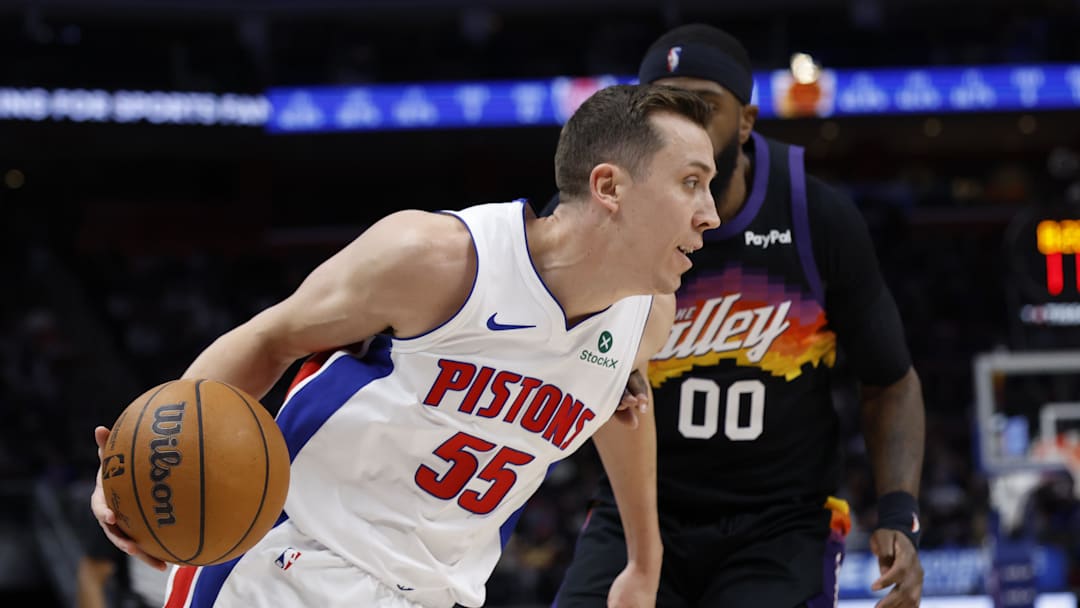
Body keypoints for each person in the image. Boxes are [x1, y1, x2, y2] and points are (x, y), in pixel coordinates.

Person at [90, 83, 722, 608]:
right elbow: (270, 339)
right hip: (291, 567)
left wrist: (645, 557)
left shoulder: (646, 321)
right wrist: (133, 466)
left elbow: (617, 405)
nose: (710, 213)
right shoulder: (438, 260)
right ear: (610, 187)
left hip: (433, 593)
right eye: (690, 182)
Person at [552, 24, 926, 608]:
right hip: (640, 510)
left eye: (701, 106)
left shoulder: (815, 215)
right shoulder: (597, 213)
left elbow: (890, 378)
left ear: (747, 121)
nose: (683, 123)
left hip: (781, 522)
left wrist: (899, 513)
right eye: (663, 105)